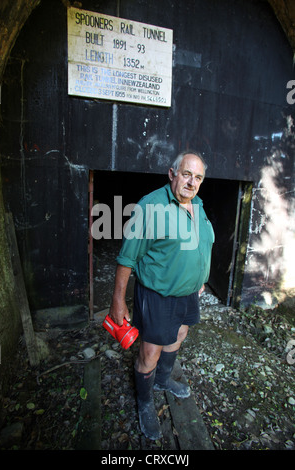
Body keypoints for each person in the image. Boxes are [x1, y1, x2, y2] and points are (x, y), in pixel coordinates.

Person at [109, 151, 214, 440]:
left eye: (198, 177)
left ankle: (163, 381)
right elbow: (127, 258)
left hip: (188, 292)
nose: (192, 182)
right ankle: (144, 403)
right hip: (158, 294)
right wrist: (118, 301)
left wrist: (201, 277)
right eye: (186, 174)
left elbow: (203, 244)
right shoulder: (151, 207)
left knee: (179, 334)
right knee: (150, 352)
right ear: (172, 174)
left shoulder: (199, 206)